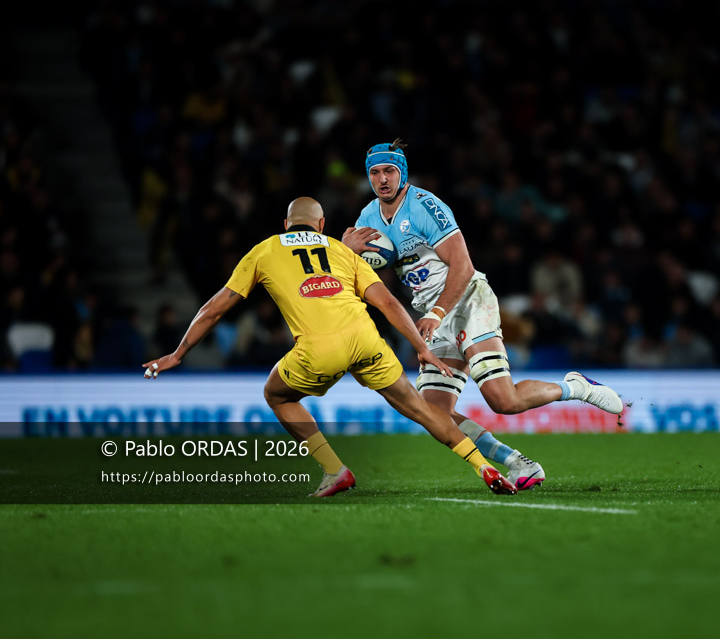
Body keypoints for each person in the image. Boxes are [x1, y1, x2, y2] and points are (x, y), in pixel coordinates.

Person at [143, 197, 517, 497]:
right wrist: (422, 347)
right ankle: (480, 465)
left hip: (319, 349)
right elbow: (387, 303)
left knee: (277, 395)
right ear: (322, 226)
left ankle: (334, 470)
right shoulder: (341, 253)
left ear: (286, 225)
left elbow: (215, 308)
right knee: (419, 408)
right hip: (366, 339)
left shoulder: (265, 250)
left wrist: (178, 354)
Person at [342, 140, 624, 490]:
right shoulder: (367, 218)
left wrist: (439, 311)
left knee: (502, 400)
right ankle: (518, 463)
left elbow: (463, 264)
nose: (382, 179)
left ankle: (574, 387)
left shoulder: (425, 206)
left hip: (467, 301)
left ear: (403, 173)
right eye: (375, 172)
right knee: (434, 413)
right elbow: (354, 276)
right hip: (431, 314)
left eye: (389, 170)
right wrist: (345, 252)